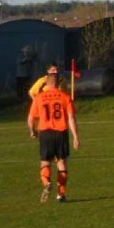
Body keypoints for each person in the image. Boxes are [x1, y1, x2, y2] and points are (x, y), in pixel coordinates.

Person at [27, 69, 80, 203]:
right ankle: (61, 195)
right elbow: (71, 118)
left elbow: (30, 118)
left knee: (45, 162)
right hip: (61, 133)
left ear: (47, 83)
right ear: (58, 83)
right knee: (61, 162)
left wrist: (32, 130)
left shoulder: (39, 98)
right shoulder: (65, 96)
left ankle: (46, 183)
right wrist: (75, 137)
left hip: (45, 133)